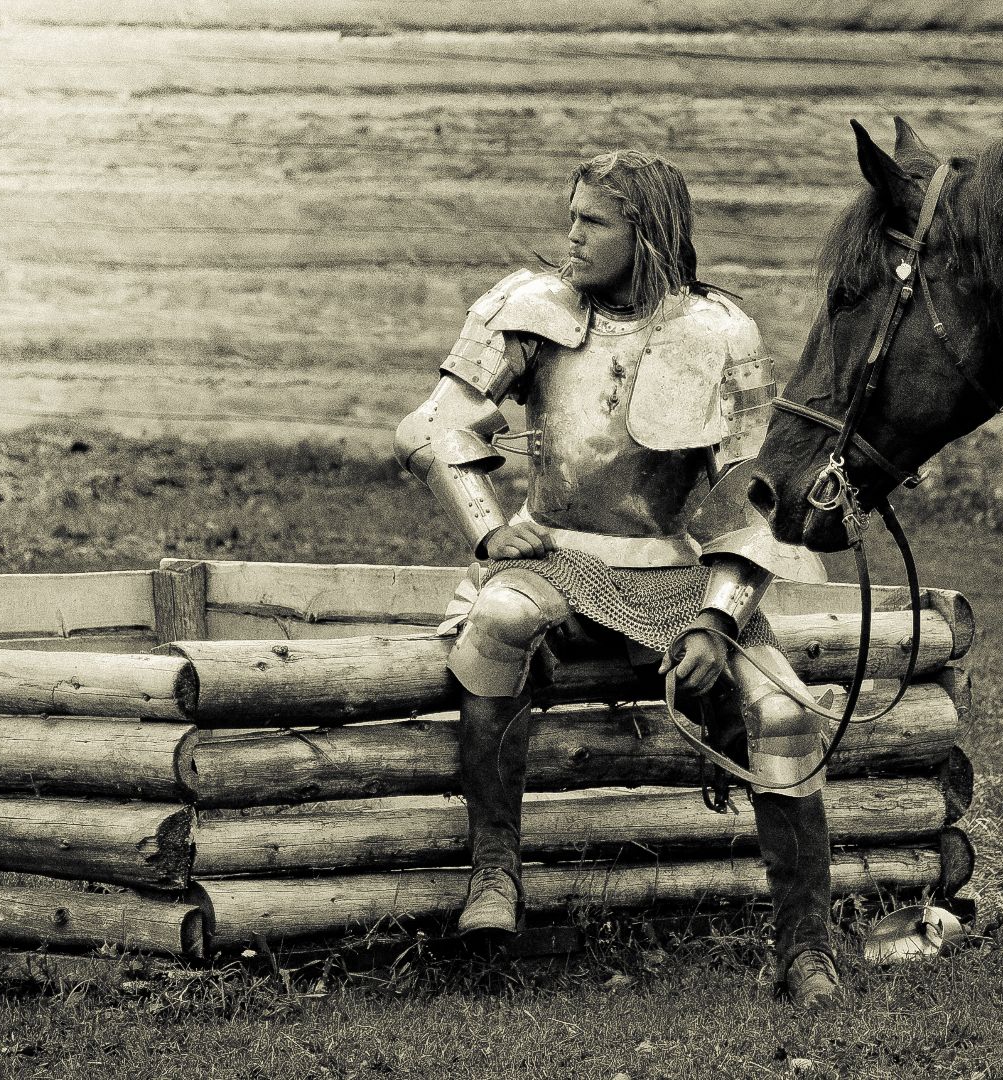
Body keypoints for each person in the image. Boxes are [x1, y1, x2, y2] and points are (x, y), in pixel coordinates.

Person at [394, 150, 840, 1008]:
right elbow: (431, 425)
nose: (571, 236)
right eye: (570, 216)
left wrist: (715, 620)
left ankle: (805, 949)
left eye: (592, 221)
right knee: (497, 624)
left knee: (785, 714)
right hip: (554, 557)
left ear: (648, 230)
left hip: (673, 570)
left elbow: (751, 495)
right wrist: (490, 528)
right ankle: (495, 871)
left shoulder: (719, 334)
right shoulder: (532, 308)